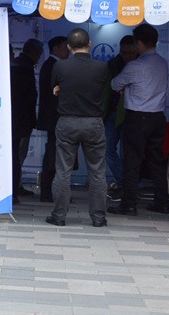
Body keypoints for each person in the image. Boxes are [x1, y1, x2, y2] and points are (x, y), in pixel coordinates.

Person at [46, 28, 110, 227]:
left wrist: (60, 90)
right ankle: (98, 218)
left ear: (68, 47)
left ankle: (59, 216)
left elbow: (54, 88)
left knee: (63, 171)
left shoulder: (60, 66)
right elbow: (103, 90)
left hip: (67, 122)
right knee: (97, 172)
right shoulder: (101, 67)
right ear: (89, 44)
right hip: (93, 122)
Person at [110, 23, 169, 215]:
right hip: (158, 117)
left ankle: (129, 204)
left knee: (132, 162)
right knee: (156, 161)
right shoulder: (162, 63)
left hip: (137, 118)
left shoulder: (135, 66)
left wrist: (126, 88)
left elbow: (114, 84)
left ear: (140, 43)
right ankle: (162, 202)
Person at [36, 35, 70, 202]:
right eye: (65, 46)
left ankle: (50, 191)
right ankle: (49, 191)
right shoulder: (53, 65)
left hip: (54, 117)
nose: (68, 50)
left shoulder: (51, 65)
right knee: (54, 154)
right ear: (56, 48)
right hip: (55, 117)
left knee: (55, 153)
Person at [10, 38, 44, 201]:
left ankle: (14, 187)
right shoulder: (24, 67)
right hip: (21, 119)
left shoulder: (17, 65)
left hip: (15, 118)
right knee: (17, 155)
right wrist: (32, 120)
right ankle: (14, 189)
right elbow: (29, 97)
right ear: (34, 52)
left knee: (16, 154)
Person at [104, 35, 138, 199]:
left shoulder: (140, 65)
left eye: (130, 53)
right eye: (124, 53)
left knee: (127, 153)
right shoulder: (113, 64)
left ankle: (127, 186)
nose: (127, 56)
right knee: (108, 150)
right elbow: (107, 89)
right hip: (112, 112)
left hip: (131, 114)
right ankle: (123, 184)